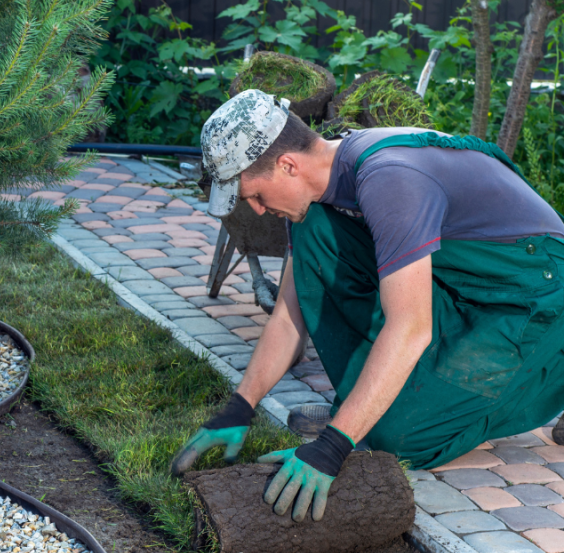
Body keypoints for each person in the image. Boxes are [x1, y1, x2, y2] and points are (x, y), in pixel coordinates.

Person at [170, 89, 564, 524]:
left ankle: (552, 377)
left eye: (255, 195)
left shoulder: (388, 179)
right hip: (464, 283)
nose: (259, 211)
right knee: (314, 230)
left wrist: (334, 445)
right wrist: (240, 406)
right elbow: (288, 315)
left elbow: (411, 327)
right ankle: (369, 405)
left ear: (287, 164)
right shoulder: (327, 183)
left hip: (533, 293)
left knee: (397, 437)